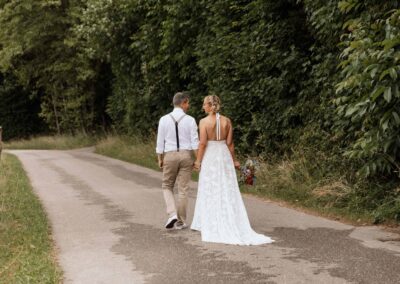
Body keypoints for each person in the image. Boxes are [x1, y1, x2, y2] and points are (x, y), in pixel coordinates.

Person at [191, 95, 274, 245]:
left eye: (204, 104)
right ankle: (229, 217)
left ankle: (209, 221)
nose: (203, 107)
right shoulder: (227, 121)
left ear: (210, 106)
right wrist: (234, 160)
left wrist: (198, 160)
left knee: (209, 186)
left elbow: (202, 143)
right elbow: (230, 143)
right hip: (223, 155)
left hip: (210, 155)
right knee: (227, 187)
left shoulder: (203, 122)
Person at [156, 92, 199, 230]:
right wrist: (198, 159)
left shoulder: (163, 119)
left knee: (167, 186)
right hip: (186, 156)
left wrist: (160, 158)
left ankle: (172, 214)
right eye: (188, 103)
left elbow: (160, 141)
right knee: (183, 189)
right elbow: (195, 143)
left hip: (170, 155)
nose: (189, 105)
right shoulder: (191, 120)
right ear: (183, 102)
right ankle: (181, 221)